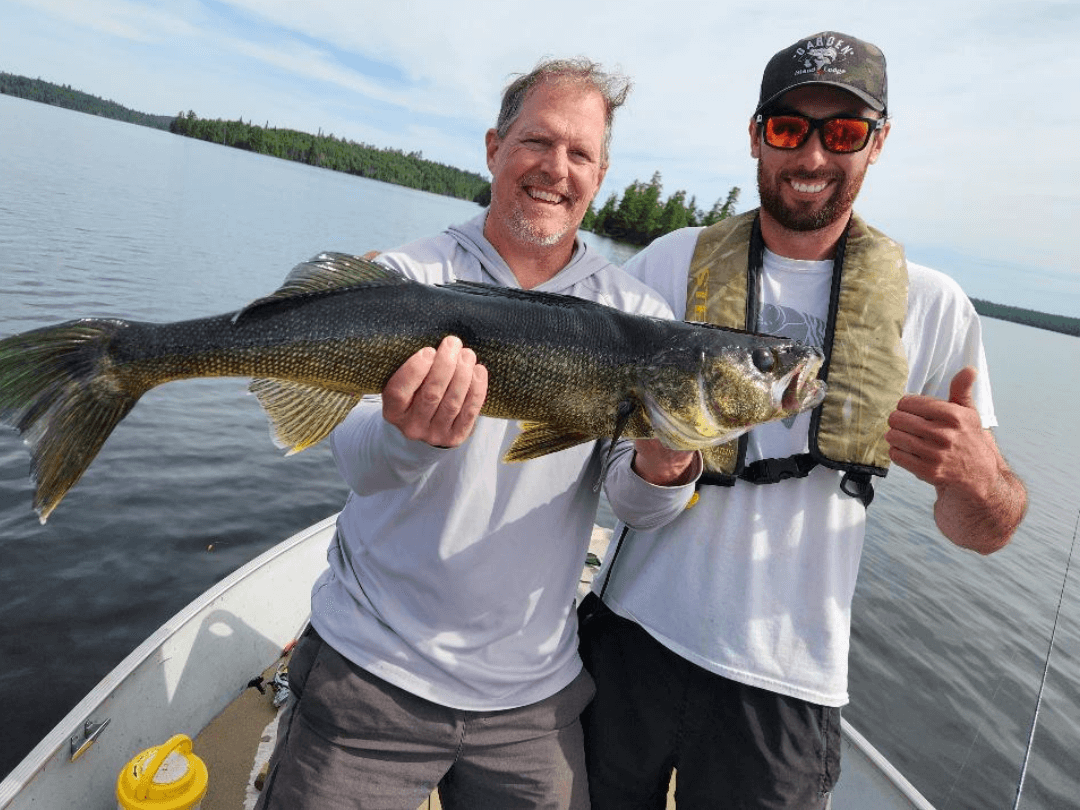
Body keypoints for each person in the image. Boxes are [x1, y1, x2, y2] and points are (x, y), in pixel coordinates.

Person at [579, 31, 1027, 809]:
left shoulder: (933, 307)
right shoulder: (664, 264)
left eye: (843, 132)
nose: (813, 156)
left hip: (785, 683)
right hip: (631, 639)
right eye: (790, 128)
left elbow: (983, 531)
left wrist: (983, 481)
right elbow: (611, 474)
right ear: (757, 135)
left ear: (876, 144)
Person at [255, 59, 672, 810]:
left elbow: (636, 510)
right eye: (537, 142)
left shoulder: (637, 317)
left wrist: (666, 462)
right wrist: (409, 438)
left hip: (533, 697)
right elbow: (354, 460)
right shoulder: (405, 274)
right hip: (370, 673)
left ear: (601, 175)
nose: (556, 168)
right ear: (493, 147)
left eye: (580, 154)